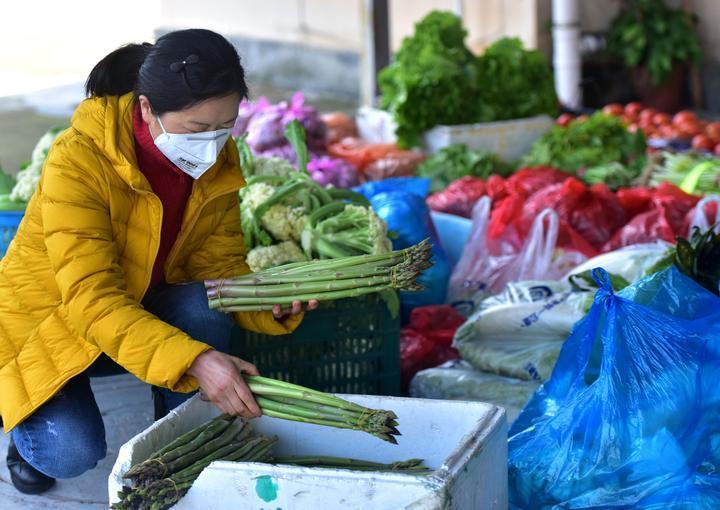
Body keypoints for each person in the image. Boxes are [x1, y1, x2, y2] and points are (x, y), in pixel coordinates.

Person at [0, 28, 317, 495]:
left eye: (224, 126)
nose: (211, 144)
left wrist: (265, 306)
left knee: (206, 303)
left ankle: (176, 436)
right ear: (146, 108)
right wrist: (196, 359)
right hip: (54, 323)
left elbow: (220, 268)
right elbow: (92, 301)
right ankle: (20, 423)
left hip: (135, 311)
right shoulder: (78, 160)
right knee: (69, 452)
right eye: (196, 129)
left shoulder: (214, 157)